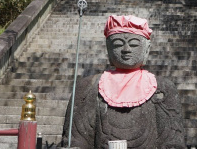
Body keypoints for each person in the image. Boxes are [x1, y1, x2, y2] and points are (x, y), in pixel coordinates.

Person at [62, 15, 185, 149]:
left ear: (147, 49)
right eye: (118, 44)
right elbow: (76, 140)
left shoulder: (162, 90)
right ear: (108, 48)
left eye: (134, 44)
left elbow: (172, 143)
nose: (126, 50)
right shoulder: (89, 87)